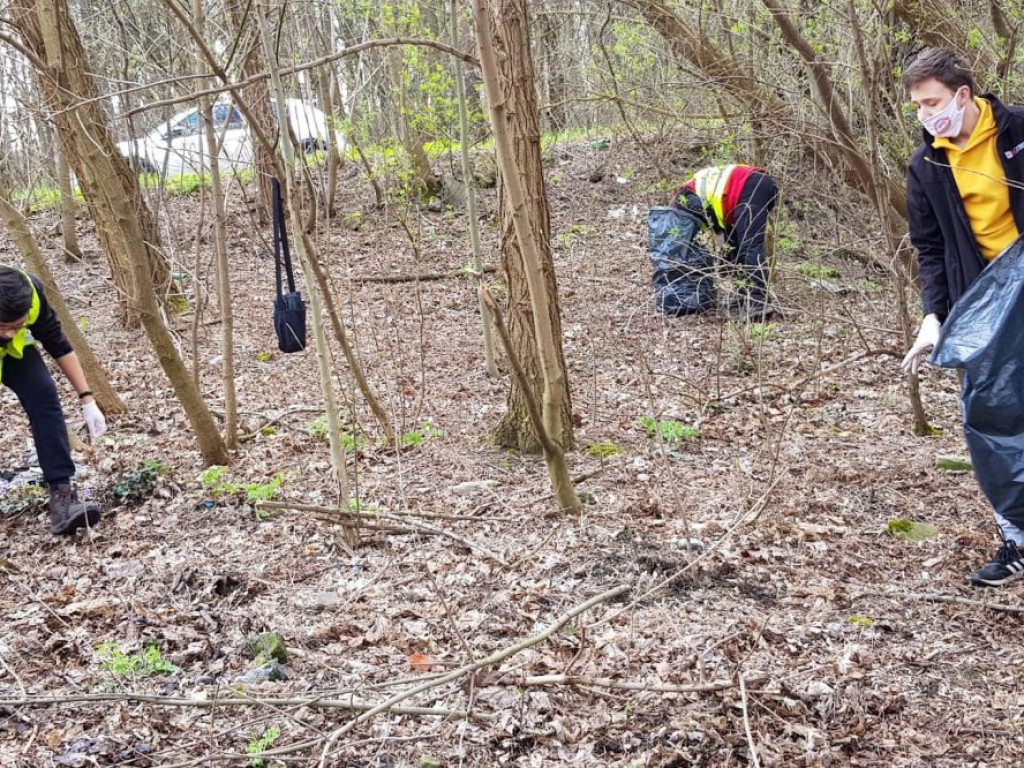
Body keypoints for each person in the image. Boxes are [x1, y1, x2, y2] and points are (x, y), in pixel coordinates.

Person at [900, 47, 1024, 586]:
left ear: (964, 95)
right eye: (918, 108)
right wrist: (935, 315)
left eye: (933, 103)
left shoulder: (1018, 131)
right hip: (982, 299)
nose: (927, 116)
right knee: (992, 414)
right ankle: (1017, 539)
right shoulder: (927, 164)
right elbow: (929, 247)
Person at [0, 265, 107, 535]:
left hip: (15, 357)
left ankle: (63, 497)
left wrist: (87, 399)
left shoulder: (31, 292)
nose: (11, 333)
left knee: (44, 396)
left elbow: (57, 343)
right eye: (4, 327)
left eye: (19, 325)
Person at [672, 164, 779, 320]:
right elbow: (717, 219)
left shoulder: (683, 198)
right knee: (736, 246)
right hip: (748, 189)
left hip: (751, 187)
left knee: (749, 246)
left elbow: (708, 214)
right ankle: (744, 293)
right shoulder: (693, 187)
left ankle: (759, 302)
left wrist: (715, 236)